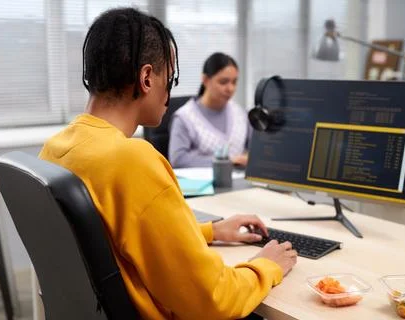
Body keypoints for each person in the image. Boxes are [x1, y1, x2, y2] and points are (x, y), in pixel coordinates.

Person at [39, 8, 297, 320]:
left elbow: (113, 241)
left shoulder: (56, 150)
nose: (169, 91)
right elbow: (213, 299)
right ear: (147, 77)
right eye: (171, 78)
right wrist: (266, 265)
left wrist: (211, 231)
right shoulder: (131, 160)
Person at [169, 52, 251, 168]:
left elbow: (255, 150)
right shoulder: (184, 118)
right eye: (223, 82)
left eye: (234, 82)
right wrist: (227, 161)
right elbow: (178, 159)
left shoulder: (240, 113)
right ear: (205, 80)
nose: (230, 88)